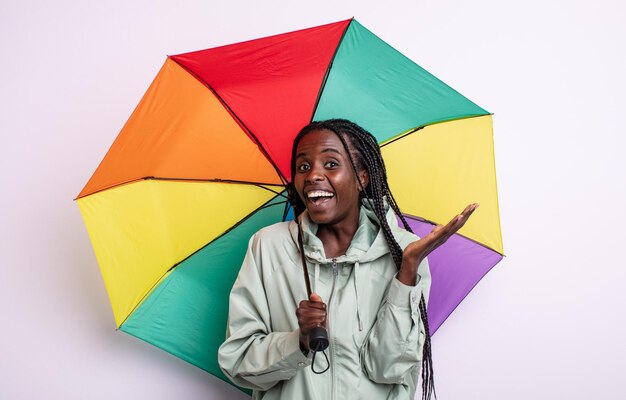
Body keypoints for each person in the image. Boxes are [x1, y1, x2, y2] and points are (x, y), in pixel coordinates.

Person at [218, 119, 477, 400]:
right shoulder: (268, 246)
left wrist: (406, 273)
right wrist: (300, 341)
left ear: (362, 178)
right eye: (303, 167)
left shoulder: (405, 250)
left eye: (330, 164)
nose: (313, 175)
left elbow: (388, 368)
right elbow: (238, 361)